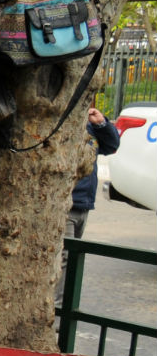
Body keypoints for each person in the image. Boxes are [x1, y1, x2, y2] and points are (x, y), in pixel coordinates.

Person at [57, 107, 121, 299]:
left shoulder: (89, 126)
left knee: (72, 259)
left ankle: (63, 308)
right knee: (63, 257)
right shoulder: (60, 124)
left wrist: (101, 123)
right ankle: (57, 311)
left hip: (84, 204)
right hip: (65, 205)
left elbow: (112, 145)